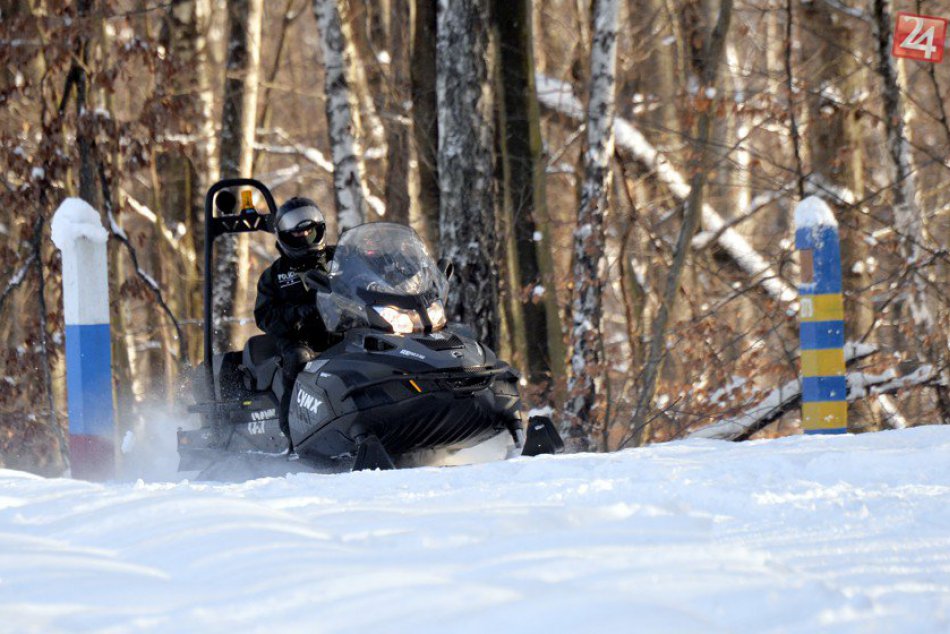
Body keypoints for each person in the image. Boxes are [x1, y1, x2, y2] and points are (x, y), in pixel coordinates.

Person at [254, 197, 337, 455]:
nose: (304, 236)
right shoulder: (275, 274)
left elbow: (366, 278)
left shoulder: (340, 257)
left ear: (318, 229)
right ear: (285, 237)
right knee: (299, 358)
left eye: (308, 230)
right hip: (299, 338)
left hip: (342, 328)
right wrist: (296, 313)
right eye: (297, 233)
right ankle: (292, 428)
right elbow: (264, 315)